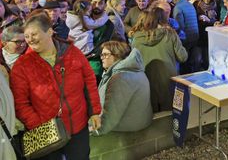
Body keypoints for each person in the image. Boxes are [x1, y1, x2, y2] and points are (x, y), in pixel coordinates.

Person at [10, 12, 102, 160]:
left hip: (77, 127)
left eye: (34, 34)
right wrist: (40, 126)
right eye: (26, 36)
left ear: (50, 31)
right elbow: (20, 103)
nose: (30, 40)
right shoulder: (22, 65)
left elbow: (89, 81)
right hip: (46, 132)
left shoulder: (72, 53)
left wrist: (95, 112)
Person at [130, 8, 187, 112]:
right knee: (172, 117)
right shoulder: (170, 34)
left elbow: (134, 65)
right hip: (169, 82)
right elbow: (183, 57)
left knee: (153, 119)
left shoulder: (136, 40)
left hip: (146, 83)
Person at [94, 41, 152, 135]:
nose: (102, 58)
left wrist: (95, 130)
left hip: (128, 126)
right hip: (138, 121)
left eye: (105, 54)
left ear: (117, 55)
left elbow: (111, 115)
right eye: (102, 55)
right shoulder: (133, 70)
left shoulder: (121, 77)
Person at [173, 0, 200, 74]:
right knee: (191, 60)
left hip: (186, 38)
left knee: (185, 61)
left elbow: (179, 26)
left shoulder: (178, 7)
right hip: (195, 36)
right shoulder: (190, 5)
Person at [194, 0, 217, 69]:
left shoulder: (215, 5)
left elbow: (217, 22)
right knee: (197, 58)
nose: (206, 0)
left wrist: (209, 20)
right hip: (199, 33)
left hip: (210, 34)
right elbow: (193, 17)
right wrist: (199, 17)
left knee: (207, 58)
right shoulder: (197, 4)